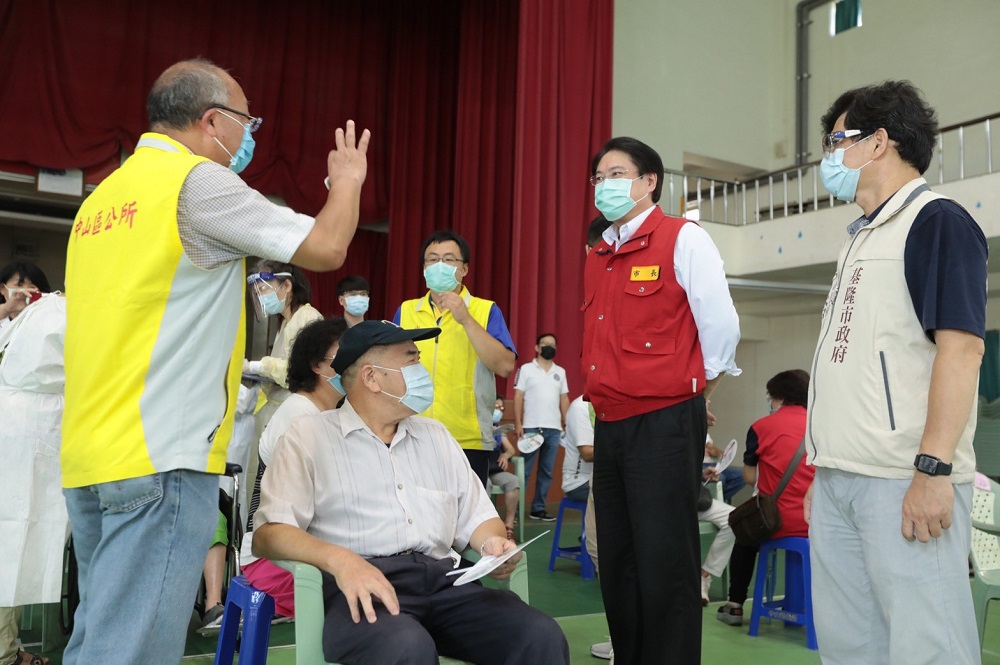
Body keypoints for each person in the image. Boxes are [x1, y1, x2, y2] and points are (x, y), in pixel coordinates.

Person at [60, 58, 370, 664]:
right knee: (135, 651)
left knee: (99, 637)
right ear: (211, 120)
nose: (250, 136)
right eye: (246, 121)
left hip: (91, 452)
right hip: (160, 452)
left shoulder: (104, 198)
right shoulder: (196, 182)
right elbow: (327, 246)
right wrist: (349, 182)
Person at [253, 320, 569, 664]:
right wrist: (341, 561)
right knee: (407, 647)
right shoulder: (309, 437)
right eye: (411, 360)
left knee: (539, 634)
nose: (423, 371)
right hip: (362, 590)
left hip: (447, 584)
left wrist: (491, 544)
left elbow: (478, 516)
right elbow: (269, 534)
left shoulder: (435, 435)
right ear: (371, 378)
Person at [806, 80, 987, 664]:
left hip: (904, 481)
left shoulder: (936, 223)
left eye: (836, 141)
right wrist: (824, 473)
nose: (828, 158)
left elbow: (961, 352)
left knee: (926, 647)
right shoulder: (859, 238)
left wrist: (932, 471)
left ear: (878, 141)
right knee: (850, 648)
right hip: (840, 478)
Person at [583, 136, 741, 665]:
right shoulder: (599, 252)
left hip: (664, 421)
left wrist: (697, 389)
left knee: (665, 561)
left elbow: (720, 325)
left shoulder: (682, 238)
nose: (605, 184)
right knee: (620, 560)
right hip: (610, 424)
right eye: (599, 177)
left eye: (617, 173)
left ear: (649, 181)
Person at [235, 316, 349, 626]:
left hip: (309, 551)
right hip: (276, 559)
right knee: (367, 594)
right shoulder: (300, 415)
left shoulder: (331, 414)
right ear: (317, 365)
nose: (354, 366)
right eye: (345, 358)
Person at [393, 230, 516, 486]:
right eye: (432, 259)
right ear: (424, 268)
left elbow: (505, 366)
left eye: (449, 260)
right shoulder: (406, 311)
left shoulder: (485, 310)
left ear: (464, 269)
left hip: (467, 439)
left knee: (467, 522)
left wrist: (466, 319)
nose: (440, 265)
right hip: (412, 435)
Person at [0, 289, 66, 665]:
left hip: (20, 431)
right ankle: (6, 653)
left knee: (13, 550)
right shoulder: (60, 310)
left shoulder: (41, 311)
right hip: (28, 437)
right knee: (11, 552)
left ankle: (8, 648)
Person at [717, 370, 813, 626]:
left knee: (744, 535)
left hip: (777, 522)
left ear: (779, 398)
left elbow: (750, 478)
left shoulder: (761, 427)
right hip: (818, 521)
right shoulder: (821, 424)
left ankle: (735, 605)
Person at [514, 333, 569, 520]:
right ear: (537, 348)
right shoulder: (526, 369)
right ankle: (517, 509)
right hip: (531, 428)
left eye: (552, 345)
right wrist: (518, 423)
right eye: (545, 344)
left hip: (554, 429)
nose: (549, 347)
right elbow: (518, 397)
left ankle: (538, 508)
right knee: (525, 471)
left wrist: (567, 422)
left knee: (547, 471)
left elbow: (564, 398)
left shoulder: (560, 372)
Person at [488, 396, 520, 542]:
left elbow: (511, 449)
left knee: (513, 481)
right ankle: (487, 527)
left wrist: (505, 455)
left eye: (501, 409)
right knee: (485, 485)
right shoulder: (476, 425)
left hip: (495, 470)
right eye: (496, 407)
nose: (498, 411)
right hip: (479, 470)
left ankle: (508, 527)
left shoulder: (499, 429)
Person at [0, 262, 51, 331]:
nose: (25, 291)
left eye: (32, 287)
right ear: (2, 288)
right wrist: (6, 309)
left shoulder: (50, 321)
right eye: (19, 285)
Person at [562, 395, 594, 503]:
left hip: (604, 477)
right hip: (580, 482)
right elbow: (587, 454)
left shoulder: (616, 406)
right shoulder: (581, 407)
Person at [704, 432, 746, 503]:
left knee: (743, 475)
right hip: (696, 464)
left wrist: (722, 455)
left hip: (711, 463)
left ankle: (716, 501)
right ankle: (711, 501)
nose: (714, 420)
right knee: (721, 478)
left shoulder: (703, 431)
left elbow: (712, 449)